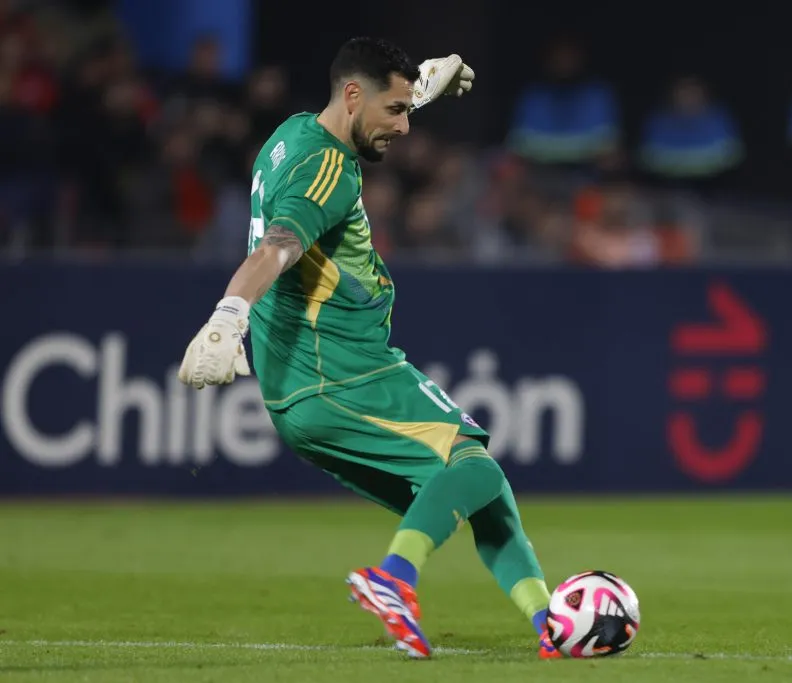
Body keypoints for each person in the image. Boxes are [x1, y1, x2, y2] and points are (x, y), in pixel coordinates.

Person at [175, 37, 559, 660]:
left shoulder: (291, 136)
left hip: (308, 390)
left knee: (482, 488)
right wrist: (228, 316)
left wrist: (419, 86)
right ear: (354, 96)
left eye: (409, 110)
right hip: (341, 372)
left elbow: (355, 121)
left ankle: (548, 622)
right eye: (397, 111)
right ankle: (393, 580)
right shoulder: (328, 171)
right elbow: (277, 246)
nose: (405, 127)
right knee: (476, 465)